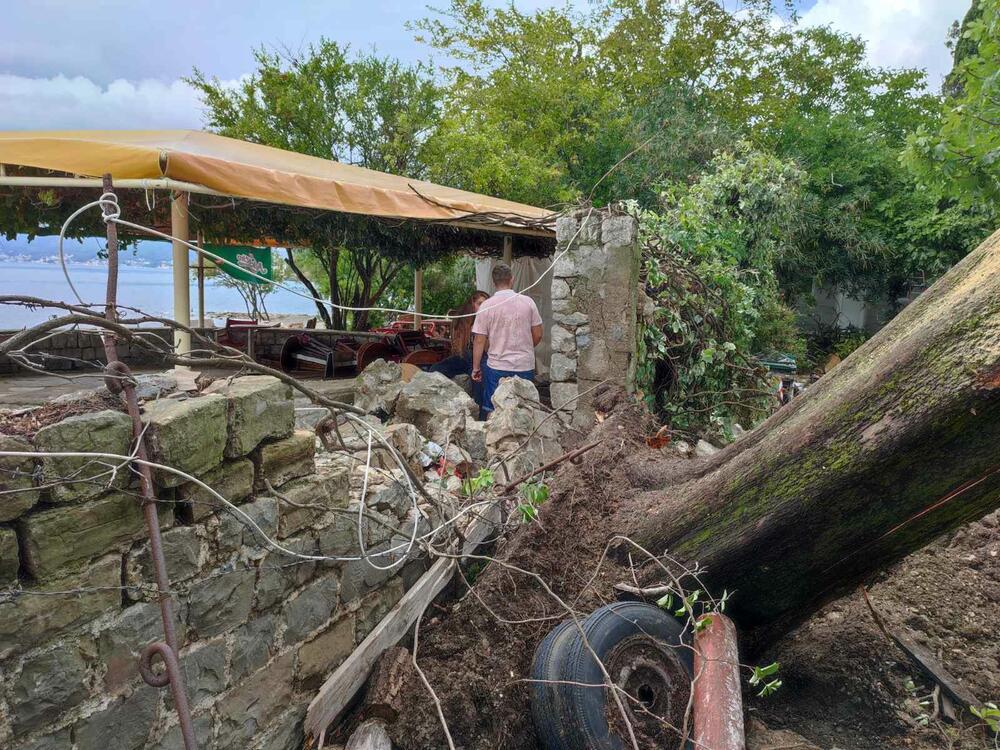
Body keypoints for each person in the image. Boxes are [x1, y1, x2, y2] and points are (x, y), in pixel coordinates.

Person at [471, 263, 543, 416]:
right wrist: (526, 347)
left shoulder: (486, 306)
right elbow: (538, 334)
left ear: (493, 282)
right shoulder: (528, 302)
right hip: (524, 365)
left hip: (496, 366)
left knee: (494, 409)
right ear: (512, 279)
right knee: (525, 409)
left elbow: (479, 340)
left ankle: (492, 438)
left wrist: (476, 368)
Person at [429, 290, 490, 403]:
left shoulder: (490, 320)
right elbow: (458, 349)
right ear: (472, 305)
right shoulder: (464, 321)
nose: (483, 307)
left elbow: (487, 349)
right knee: (435, 369)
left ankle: (480, 414)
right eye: (480, 303)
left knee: (479, 382)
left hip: (482, 358)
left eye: (486, 304)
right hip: (464, 357)